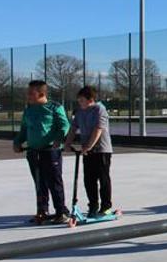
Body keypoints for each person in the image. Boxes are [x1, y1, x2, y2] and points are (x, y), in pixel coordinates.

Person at [13, 80, 70, 224]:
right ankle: (42, 211)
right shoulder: (29, 110)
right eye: (28, 93)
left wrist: (59, 139)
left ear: (42, 93)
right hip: (33, 152)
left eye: (31, 93)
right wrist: (17, 142)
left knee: (54, 182)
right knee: (39, 183)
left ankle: (61, 212)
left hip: (50, 152)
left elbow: (65, 125)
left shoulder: (55, 107)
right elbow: (24, 130)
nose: (28, 96)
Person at [64, 86, 114, 218]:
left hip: (102, 150)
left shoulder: (99, 109)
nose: (80, 103)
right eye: (79, 101)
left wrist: (88, 146)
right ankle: (93, 206)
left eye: (82, 100)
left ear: (90, 99)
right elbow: (73, 128)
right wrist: (67, 144)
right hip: (87, 151)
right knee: (89, 180)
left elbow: (98, 129)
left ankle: (106, 207)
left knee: (103, 179)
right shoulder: (80, 112)